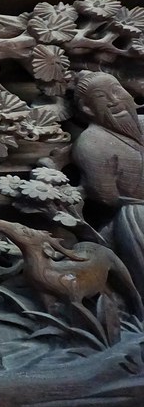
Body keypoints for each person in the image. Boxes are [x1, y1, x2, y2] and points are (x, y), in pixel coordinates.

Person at [72, 71, 144, 294]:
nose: (114, 101)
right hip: (136, 213)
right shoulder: (93, 143)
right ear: (88, 109)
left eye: (116, 91)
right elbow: (104, 195)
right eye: (102, 97)